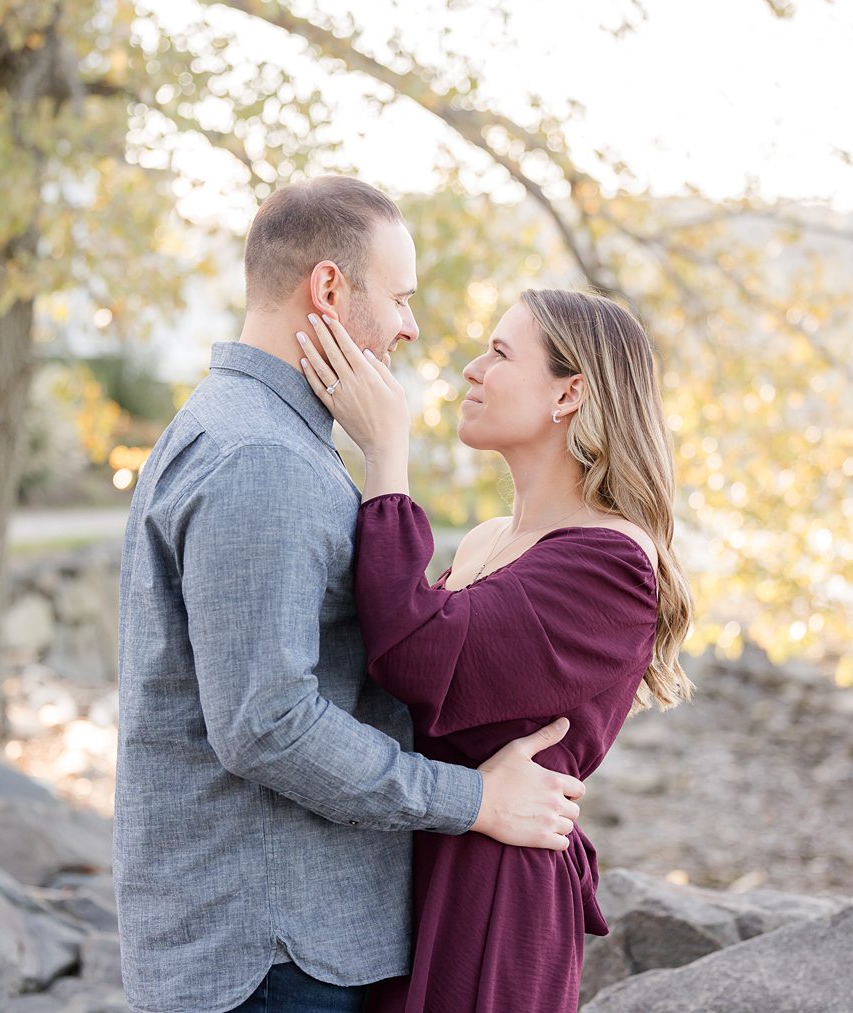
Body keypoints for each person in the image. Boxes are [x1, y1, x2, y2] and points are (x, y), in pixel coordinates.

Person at [114, 177, 586, 1013]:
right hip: (273, 952)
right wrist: (476, 800)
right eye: (400, 298)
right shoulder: (262, 459)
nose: (410, 325)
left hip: (269, 939)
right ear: (329, 288)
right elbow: (267, 723)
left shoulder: (246, 430)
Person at [296, 288, 694, 1012]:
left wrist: (386, 454)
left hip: (492, 893)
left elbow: (414, 656)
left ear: (570, 393)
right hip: (419, 859)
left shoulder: (612, 564)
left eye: (501, 353)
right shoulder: (486, 541)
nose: (472, 370)